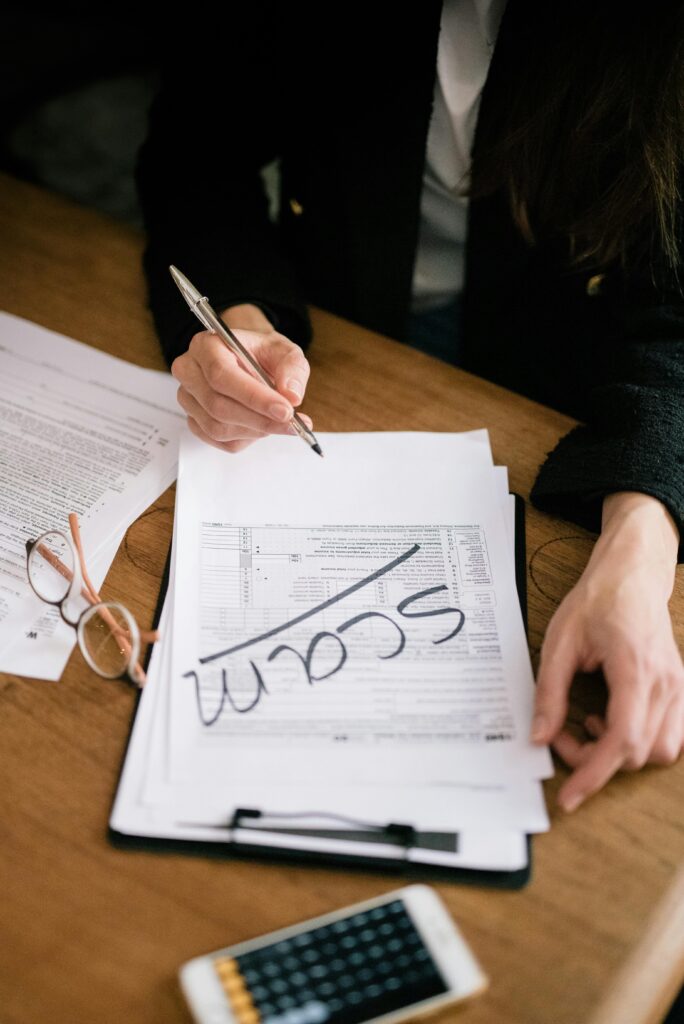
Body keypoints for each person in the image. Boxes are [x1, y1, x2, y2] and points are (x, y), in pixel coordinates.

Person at [135, 0, 684, 812]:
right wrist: (243, 320)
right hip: (341, 325)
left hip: (582, 378)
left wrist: (640, 552)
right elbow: (194, 157)